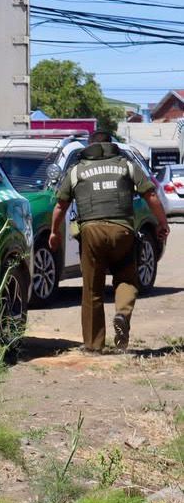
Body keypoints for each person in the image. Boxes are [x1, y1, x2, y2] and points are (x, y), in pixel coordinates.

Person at [49, 130, 170, 352]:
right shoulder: (127, 166)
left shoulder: (77, 171)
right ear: (111, 145)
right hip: (122, 230)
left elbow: (60, 206)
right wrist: (163, 223)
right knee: (126, 278)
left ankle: (94, 345)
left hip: (91, 232)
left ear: (89, 146)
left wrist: (55, 232)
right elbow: (151, 195)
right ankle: (122, 314)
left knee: (92, 289)